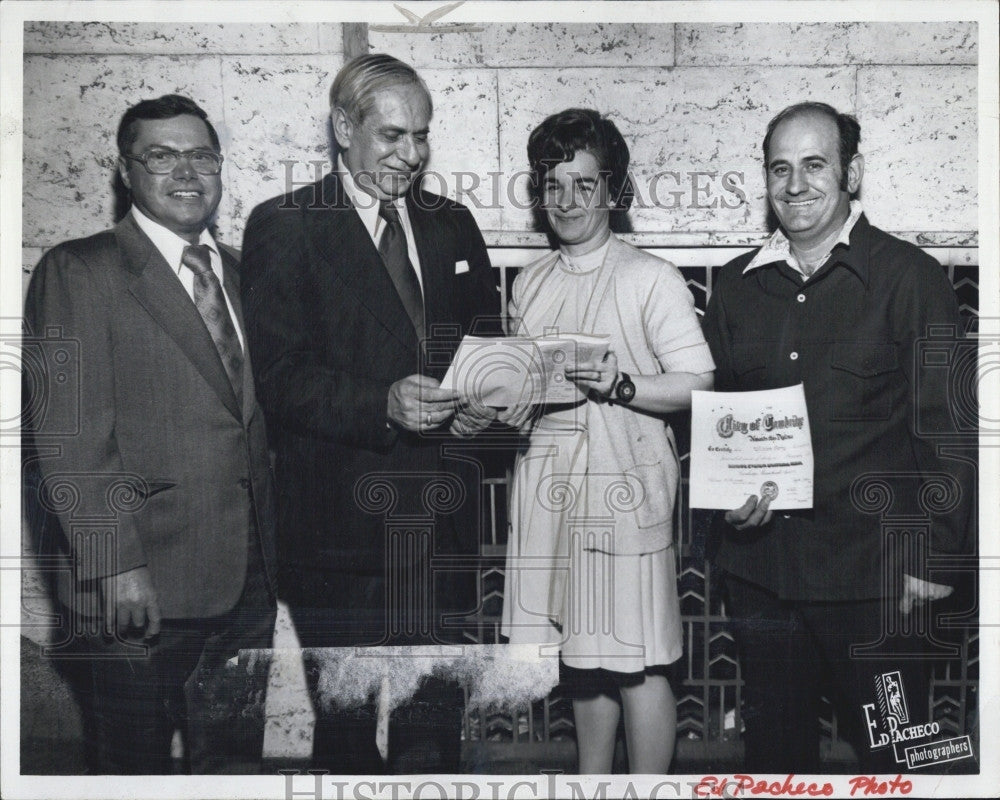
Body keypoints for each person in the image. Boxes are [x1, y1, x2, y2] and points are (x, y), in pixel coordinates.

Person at [240, 54, 501, 774]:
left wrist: (489, 406)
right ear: (342, 128)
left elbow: (488, 347)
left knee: (433, 736)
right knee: (347, 741)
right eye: (392, 136)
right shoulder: (285, 225)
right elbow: (278, 378)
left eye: (422, 135)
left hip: (442, 529)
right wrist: (380, 404)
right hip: (338, 537)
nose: (412, 155)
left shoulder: (452, 225)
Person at [702, 102, 976, 772]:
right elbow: (714, 423)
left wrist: (935, 563)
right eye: (780, 168)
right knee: (775, 761)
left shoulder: (911, 279)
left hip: (876, 585)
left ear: (851, 172)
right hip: (764, 579)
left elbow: (951, 433)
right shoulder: (735, 290)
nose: (796, 185)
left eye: (814, 165)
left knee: (898, 757)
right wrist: (726, 499)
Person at [22, 94, 277, 773]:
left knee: (233, 764)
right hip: (139, 587)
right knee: (131, 770)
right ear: (125, 171)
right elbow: (66, 437)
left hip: (246, 582)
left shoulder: (245, 270)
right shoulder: (79, 270)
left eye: (201, 155)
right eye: (162, 156)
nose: (186, 172)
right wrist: (114, 565)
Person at [500, 108, 715, 773]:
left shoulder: (649, 276)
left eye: (583, 185)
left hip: (623, 493)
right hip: (548, 493)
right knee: (582, 657)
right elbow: (521, 391)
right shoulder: (530, 283)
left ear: (613, 192)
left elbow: (699, 383)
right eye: (551, 185)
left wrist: (620, 385)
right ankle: (594, 784)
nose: (565, 201)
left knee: (638, 660)